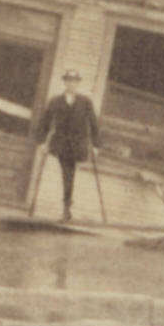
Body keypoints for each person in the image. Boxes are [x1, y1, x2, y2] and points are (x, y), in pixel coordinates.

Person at [37, 69, 100, 221]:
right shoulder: (56, 101)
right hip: (61, 143)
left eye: (74, 81)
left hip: (77, 144)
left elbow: (93, 124)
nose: (71, 84)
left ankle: (67, 207)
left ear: (78, 83)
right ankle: (66, 207)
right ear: (64, 82)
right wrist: (41, 142)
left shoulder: (85, 102)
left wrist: (96, 145)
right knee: (68, 173)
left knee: (68, 173)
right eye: (68, 80)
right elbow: (45, 122)